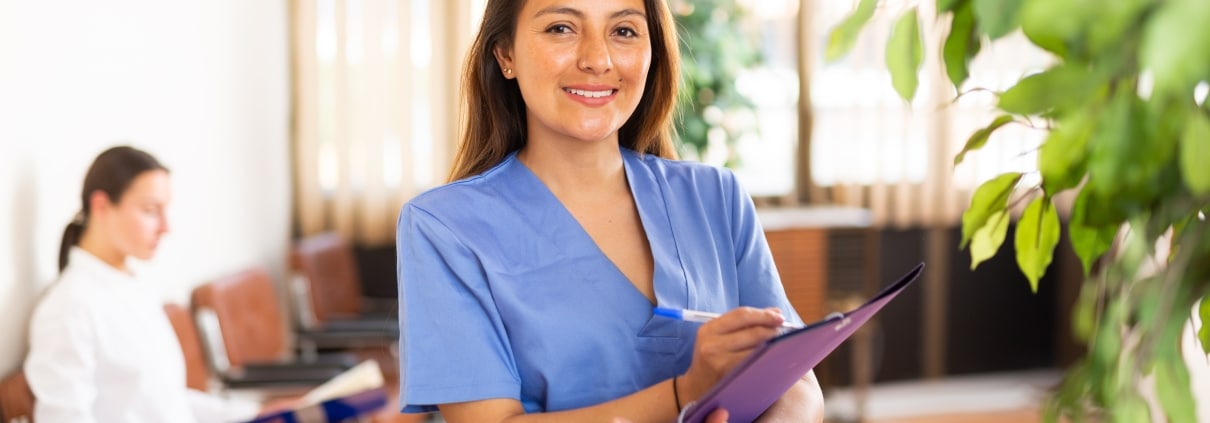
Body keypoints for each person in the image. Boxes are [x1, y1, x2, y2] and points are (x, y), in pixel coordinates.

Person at [395, 0, 825, 422]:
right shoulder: (443, 228)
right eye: (561, 27)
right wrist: (683, 394)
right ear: (505, 54)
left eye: (623, 31)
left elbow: (796, 380)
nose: (598, 60)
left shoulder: (716, 196)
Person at [24, 146, 275, 422]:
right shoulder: (68, 309)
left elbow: (168, 405)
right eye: (151, 210)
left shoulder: (132, 288)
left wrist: (257, 414)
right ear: (101, 206)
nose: (166, 227)